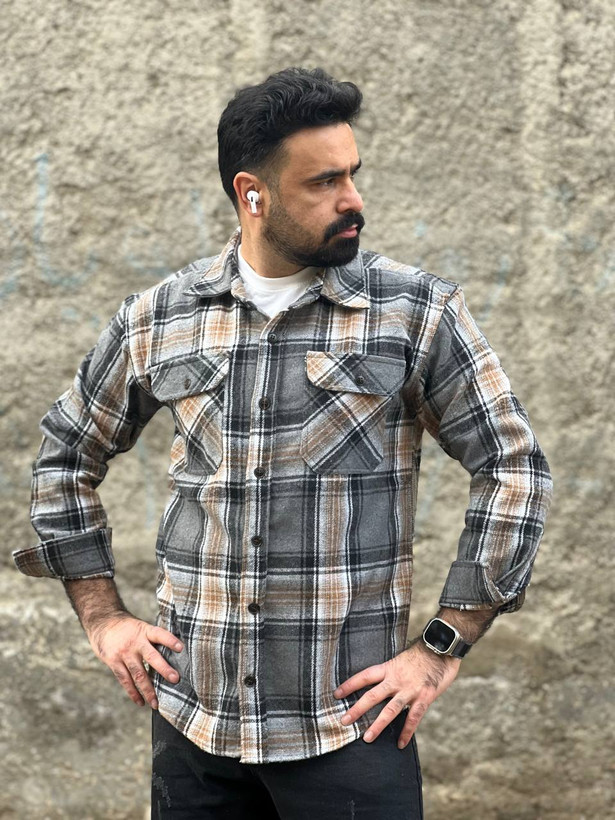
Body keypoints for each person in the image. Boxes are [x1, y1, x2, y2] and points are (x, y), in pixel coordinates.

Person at [14, 67, 552, 819]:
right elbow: (66, 454)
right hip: (193, 727)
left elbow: (512, 466)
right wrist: (103, 617)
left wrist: (441, 646)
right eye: (324, 182)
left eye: (352, 174)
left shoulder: (414, 312)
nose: (352, 199)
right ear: (252, 195)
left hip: (349, 729)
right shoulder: (161, 317)